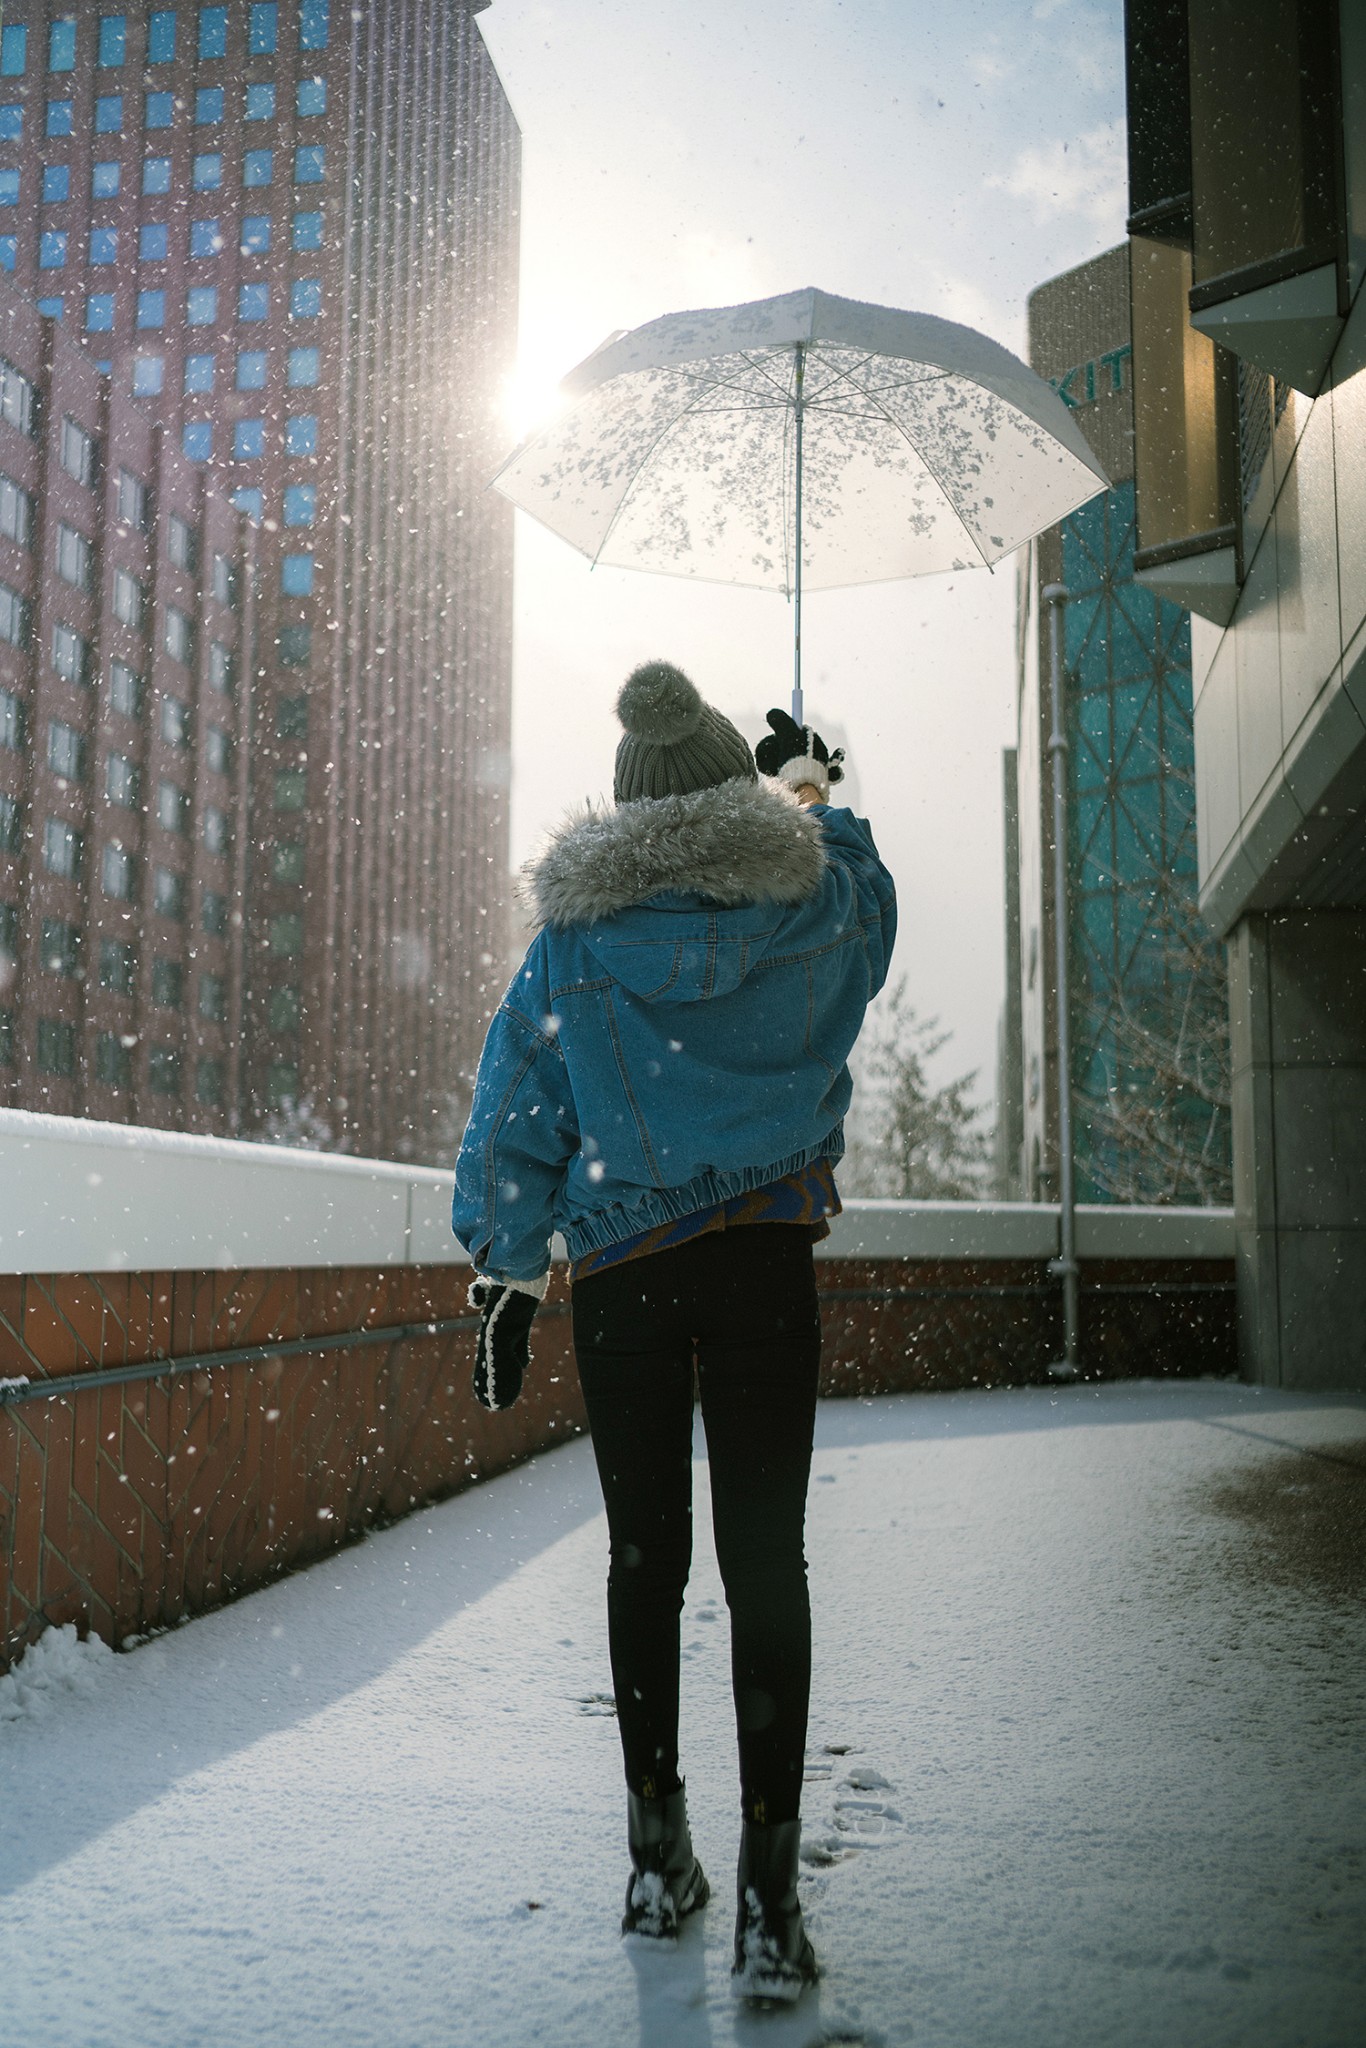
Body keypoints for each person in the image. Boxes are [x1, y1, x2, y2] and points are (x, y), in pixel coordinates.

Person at [451, 661, 896, 2003]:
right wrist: (817, 793)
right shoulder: (811, 893)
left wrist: (511, 1275)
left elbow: (513, 1122)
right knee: (767, 1561)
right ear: (724, 783)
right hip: (765, 1261)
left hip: (628, 1275)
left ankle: (656, 1859)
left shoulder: (570, 947)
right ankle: (770, 1901)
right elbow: (873, 917)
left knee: (644, 1561)